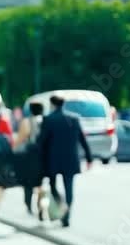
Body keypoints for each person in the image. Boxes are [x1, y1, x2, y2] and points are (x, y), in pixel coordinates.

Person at [37, 94, 92, 227]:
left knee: (53, 186)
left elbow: (41, 141)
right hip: (70, 159)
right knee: (69, 188)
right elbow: (82, 140)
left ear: (52, 104)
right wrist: (89, 158)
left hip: (53, 160)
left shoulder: (48, 119)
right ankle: (67, 214)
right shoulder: (74, 119)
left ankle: (62, 208)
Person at [14, 101, 46, 217]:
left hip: (30, 156)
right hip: (43, 156)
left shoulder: (26, 122)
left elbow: (20, 139)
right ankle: (41, 207)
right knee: (41, 184)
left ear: (31, 110)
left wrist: (13, 149)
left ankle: (29, 206)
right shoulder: (46, 121)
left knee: (28, 183)